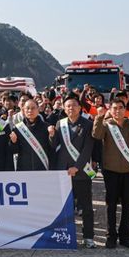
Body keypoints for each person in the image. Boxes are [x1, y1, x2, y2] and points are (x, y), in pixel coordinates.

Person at [92, 99, 129, 249]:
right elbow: (96, 135)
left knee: (127, 205)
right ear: (110, 110)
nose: (118, 111)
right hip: (111, 171)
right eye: (114, 108)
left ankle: (125, 237)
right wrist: (99, 117)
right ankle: (111, 236)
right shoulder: (106, 125)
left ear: (125, 109)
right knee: (111, 205)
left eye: (120, 108)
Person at [49, 93, 96, 248]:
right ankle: (65, 236)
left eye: (74, 105)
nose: (71, 108)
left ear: (80, 107)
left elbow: (88, 149)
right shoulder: (60, 124)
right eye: (68, 106)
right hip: (63, 171)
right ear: (64, 108)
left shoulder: (88, 124)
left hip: (81, 171)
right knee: (64, 207)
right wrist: (51, 136)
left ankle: (88, 237)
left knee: (86, 206)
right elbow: (54, 146)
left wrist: (77, 166)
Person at [9, 99, 53, 172]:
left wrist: (52, 136)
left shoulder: (46, 127)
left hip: (42, 168)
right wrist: (13, 142)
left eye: (33, 108)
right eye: (27, 108)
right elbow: (14, 151)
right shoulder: (18, 128)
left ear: (38, 109)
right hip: (24, 169)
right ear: (23, 110)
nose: (30, 111)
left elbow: (53, 147)